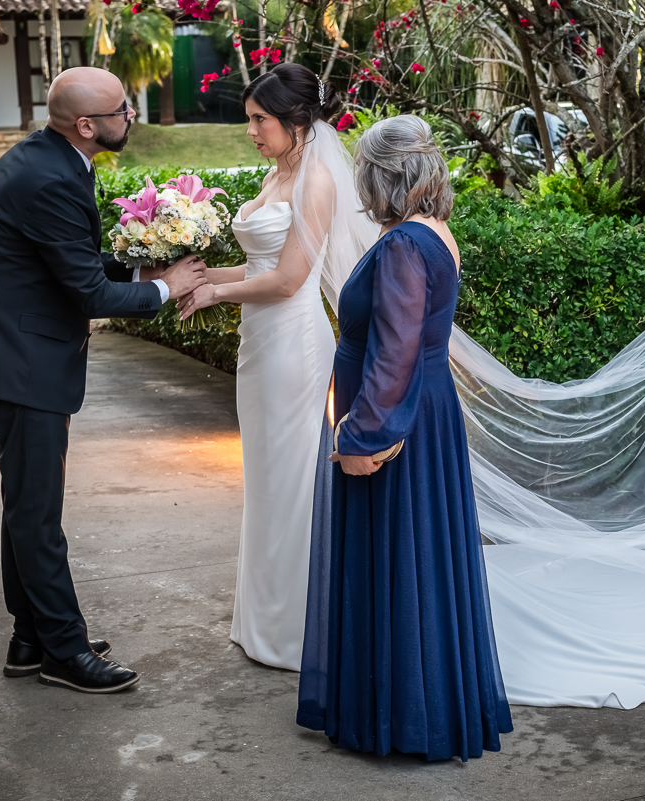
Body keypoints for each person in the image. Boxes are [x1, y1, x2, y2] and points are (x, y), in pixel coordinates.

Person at [0, 67, 206, 693]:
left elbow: (73, 258)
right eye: (122, 109)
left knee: (27, 508)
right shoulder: (50, 177)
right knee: (37, 516)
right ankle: (64, 653)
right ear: (86, 125)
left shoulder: (51, 158)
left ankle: (31, 640)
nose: (131, 117)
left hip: (9, 352)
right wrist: (167, 288)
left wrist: (142, 263)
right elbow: (87, 290)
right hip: (19, 363)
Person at [294, 115, 514, 760]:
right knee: (418, 560)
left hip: (399, 419)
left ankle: (405, 719)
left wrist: (362, 435)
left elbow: (394, 353)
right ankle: (422, 706)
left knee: (401, 558)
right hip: (427, 408)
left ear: (378, 174)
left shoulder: (400, 247)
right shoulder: (431, 232)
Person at [175, 64, 377, 670]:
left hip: (294, 345)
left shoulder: (316, 181)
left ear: (295, 121)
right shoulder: (280, 170)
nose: (251, 132)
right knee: (264, 477)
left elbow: (291, 281)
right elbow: (262, 265)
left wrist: (214, 296)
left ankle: (299, 627)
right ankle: (264, 618)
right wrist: (203, 276)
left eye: (260, 121)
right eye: (250, 121)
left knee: (293, 480)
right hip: (259, 344)